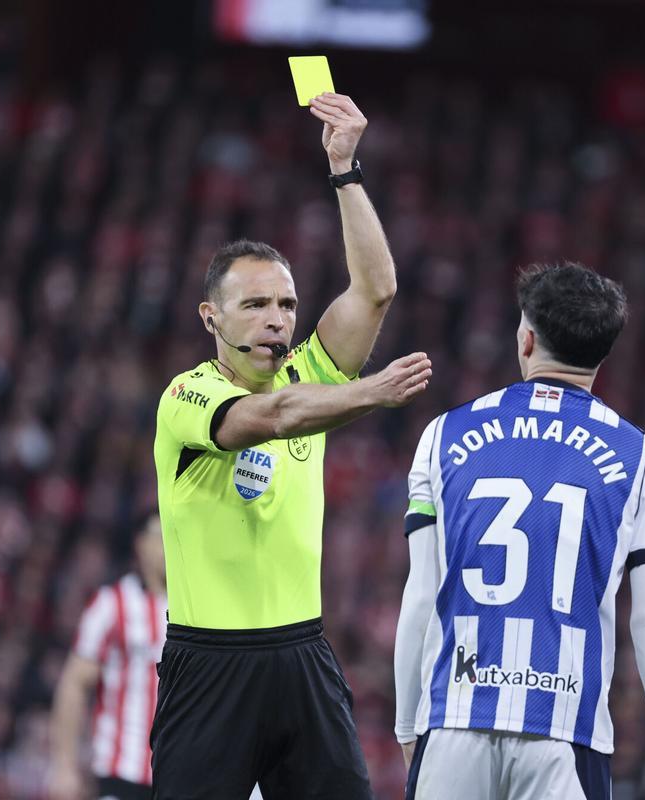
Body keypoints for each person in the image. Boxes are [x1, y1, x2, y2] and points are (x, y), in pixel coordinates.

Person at [149, 93, 431, 800]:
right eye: (255, 305)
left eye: (285, 306)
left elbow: (376, 289)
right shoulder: (188, 397)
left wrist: (345, 171)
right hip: (210, 667)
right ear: (211, 317)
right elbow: (274, 417)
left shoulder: (309, 372)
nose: (276, 320)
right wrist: (372, 393)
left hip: (302, 653)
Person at [394, 262, 645, 799]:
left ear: (526, 339)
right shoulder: (644, 460)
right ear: (602, 354)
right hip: (565, 732)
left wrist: (405, 724)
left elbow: (420, 595)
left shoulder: (443, 436)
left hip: (454, 718)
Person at [51, 513, 169, 800]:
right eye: (160, 535)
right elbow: (74, 684)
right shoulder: (112, 604)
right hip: (121, 772)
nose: (168, 544)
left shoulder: (196, 611)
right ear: (140, 544)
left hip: (182, 774)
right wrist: (64, 765)